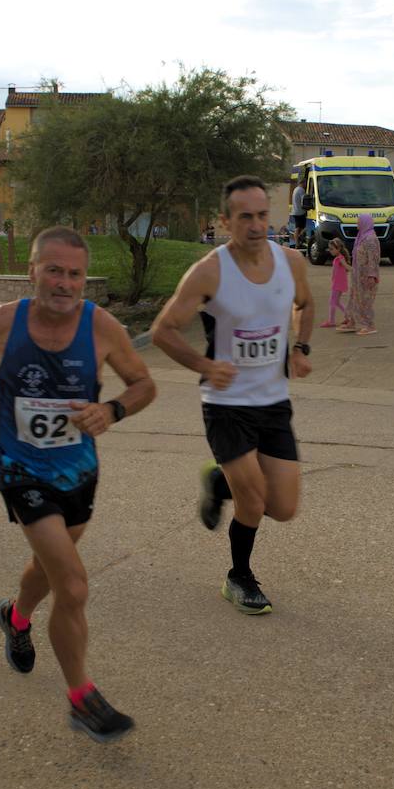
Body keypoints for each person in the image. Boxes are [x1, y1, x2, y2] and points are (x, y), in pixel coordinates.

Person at [0, 226, 156, 742]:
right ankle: (82, 699)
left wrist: (112, 410)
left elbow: (145, 384)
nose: (63, 282)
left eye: (74, 274)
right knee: (73, 584)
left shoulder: (102, 328)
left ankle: (15, 618)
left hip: (79, 473)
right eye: (54, 270)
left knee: (47, 567)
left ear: (84, 280)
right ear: (33, 271)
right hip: (21, 471)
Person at [152, 175, 314, 615]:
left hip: (273, 401)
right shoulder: (209, 271)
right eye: (245, 217)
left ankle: (217, 480)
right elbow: (162, 331)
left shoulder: (291, 262)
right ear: (226, 222)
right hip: (226, 406)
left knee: (284, 508)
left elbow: (306, 304)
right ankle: (238, 577)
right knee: (255, 502)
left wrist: (299, 348)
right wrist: (205, 366)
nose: (257, 225)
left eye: (263, 215)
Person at [337, 213, 381, 336]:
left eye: (359, 221)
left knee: (365, 301)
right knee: (354, 298)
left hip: (367, 277)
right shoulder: (361, 237)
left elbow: (374, 258)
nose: (357, 224)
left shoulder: (370, 239)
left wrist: (372, 275)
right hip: (358, 276)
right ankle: (351, 321)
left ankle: (369, 325)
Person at [319, 237, 350, 328]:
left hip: (338, 284)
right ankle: (348, 316)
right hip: (337, 283)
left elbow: (347, 267)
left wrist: (355, 270)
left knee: (332, 302)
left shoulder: (340, 258)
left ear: (339, 249)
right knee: (336, 302)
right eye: (329, 249)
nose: (330, 251)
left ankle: (331, 321)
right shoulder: (337, 258)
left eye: (332, 249)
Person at [290, 179, 307, 250]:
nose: (306, 185)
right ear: (303, 183)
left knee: (299, 227)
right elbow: (304, 200)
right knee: (300, 227)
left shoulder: (295, 189)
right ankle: (298, 241)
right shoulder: (301, 190)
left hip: (295, 211)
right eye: (306, 183)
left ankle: (298, 241)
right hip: (300, 212)